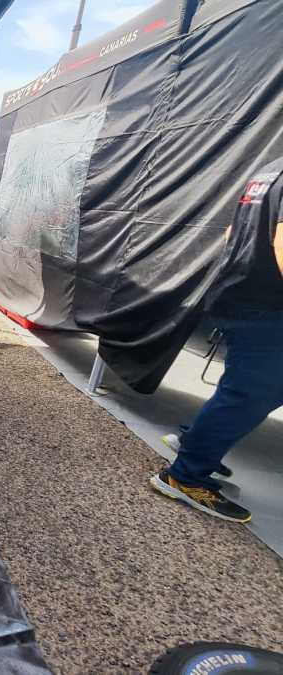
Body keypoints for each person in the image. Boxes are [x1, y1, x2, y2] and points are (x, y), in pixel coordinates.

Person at [151, 158, 283, 523]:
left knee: (249, 387)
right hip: (267, 305)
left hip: (241, 292)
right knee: (252, 392)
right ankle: (185, 477)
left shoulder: (271, 169)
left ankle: (194, 443)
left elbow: (233, 231)